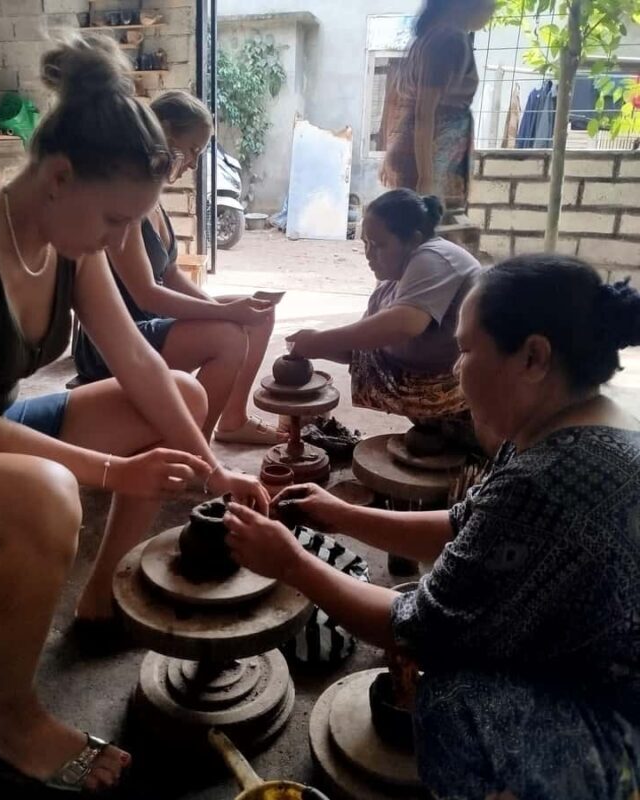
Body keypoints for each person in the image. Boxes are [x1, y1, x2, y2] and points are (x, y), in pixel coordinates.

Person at [0, 36, 266, 794]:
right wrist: (112, 470)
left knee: (181, 399)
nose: (118, 240)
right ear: (59, 176)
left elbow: (135, 359)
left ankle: (100, 598)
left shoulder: (72, 243)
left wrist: (212, 469)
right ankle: (13, 724)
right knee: (45, 495)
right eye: (113, 220)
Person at [224, 254, 640, 798]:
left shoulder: (547, 478)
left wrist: (290, 562)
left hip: (615, 720)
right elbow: (469, 524)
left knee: (451, 696)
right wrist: (340, 513)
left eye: (465, 350)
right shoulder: (583, 423)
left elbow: (414, 627)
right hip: (593, 660)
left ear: (533, 357)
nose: (453, 368)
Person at [73, 90, 282, 445]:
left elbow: (170, 275)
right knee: (228, 338)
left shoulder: (152, 196)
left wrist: (225, 309)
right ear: (164, 132)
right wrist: (226, 315)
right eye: (193, 150)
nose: (193, 163)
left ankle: (232, 421)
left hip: (149, 323)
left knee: (259, 314)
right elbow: (148, 294)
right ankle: (190, 450)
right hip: (114, 338)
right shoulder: (125, 197)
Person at [287, 189, 481, 447]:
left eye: (378, 245)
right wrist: (309, 347)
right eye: (365, 243)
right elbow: (358, 347)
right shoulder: (391, 281)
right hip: (431, 372)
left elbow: (405, 324)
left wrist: (319, 340)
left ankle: (462, 430)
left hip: (470, 383)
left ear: (413, 240)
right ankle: (438, 429)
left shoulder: (433, 257)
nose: (368, 254)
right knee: (365, 350)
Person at [380, 0, 496, 211]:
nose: (492, 10)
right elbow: (424, 114)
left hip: (417, 152)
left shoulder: (427, 39)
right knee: (429, 227)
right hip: (431, 157)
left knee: (416, 230)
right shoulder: (449, 40)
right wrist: (426, 178)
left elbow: (394, 98)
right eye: (488, 4)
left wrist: (389, 153)